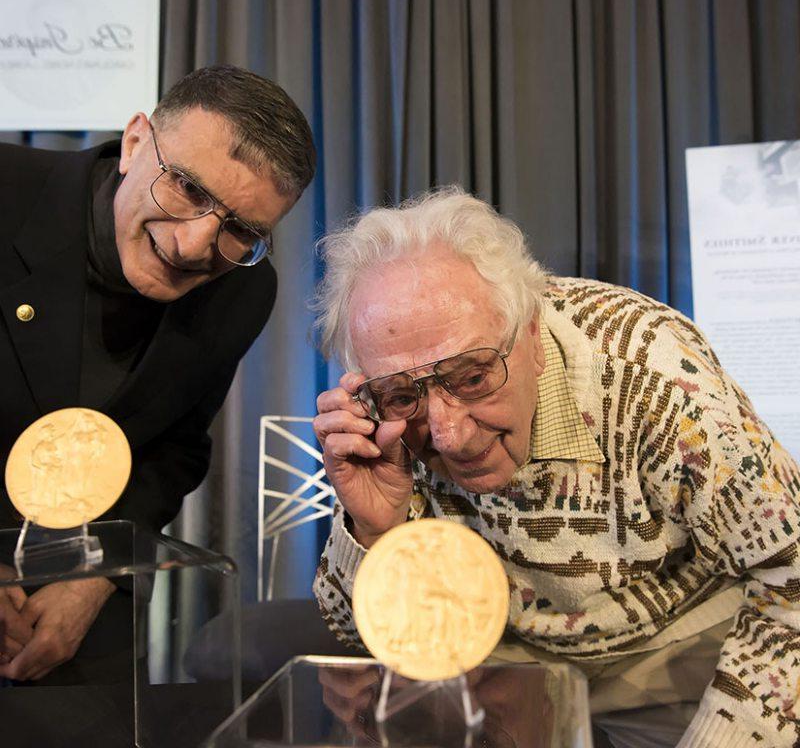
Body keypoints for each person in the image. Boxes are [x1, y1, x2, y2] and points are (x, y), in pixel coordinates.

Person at [312, 189, 800, 747]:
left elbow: (792, 582)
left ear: (534, 337)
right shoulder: (389, 410)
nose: (449, 435)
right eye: (402, 394)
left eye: (473, 378)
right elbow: (355, 638)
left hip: (676, 653)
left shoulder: (656, 376)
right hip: (501, 663)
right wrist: (377, 529)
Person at [0, 64, 316, 682]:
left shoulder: (244, 288)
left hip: (75, 590)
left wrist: (98, 577)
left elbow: (173, 451)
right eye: (188, 190)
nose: (196, 244)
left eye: (242, 230)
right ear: (136, 141)